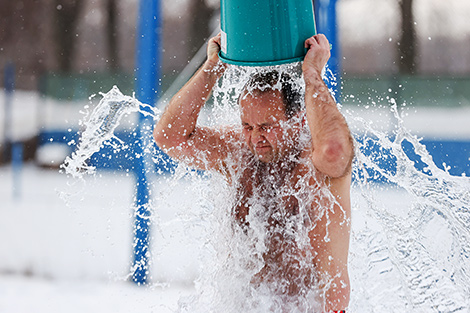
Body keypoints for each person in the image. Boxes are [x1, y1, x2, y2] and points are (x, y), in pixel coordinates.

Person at [154, 33, 354, 312]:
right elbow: (169, 137)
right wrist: (214, 67)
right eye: (247, 125)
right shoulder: (238, 153)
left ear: (298, 121)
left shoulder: (316, 163)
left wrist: (311, 75)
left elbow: (334, 148)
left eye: (267, 126)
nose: (254, 137)